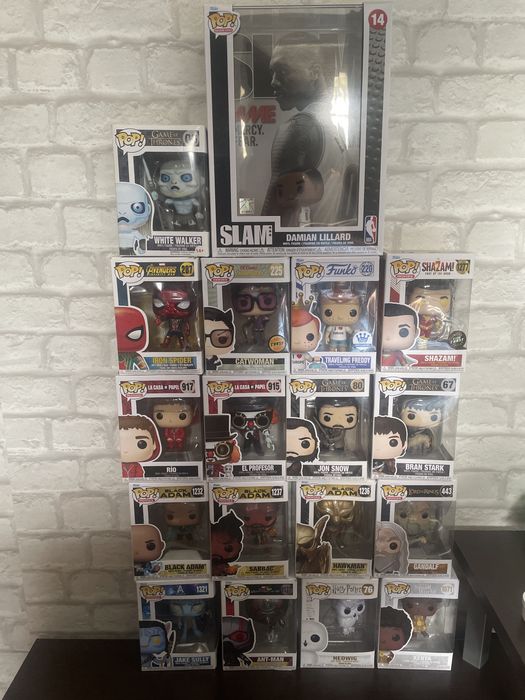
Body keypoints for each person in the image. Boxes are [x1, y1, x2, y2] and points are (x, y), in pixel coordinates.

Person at [262, 32, 353, 227]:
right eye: (273, 73)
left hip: (297, 244)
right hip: (328, 241)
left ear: (314, 73)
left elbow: (272, 219)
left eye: (282, 71)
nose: (273, 81)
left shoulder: (299, 127)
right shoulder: (336, 127)